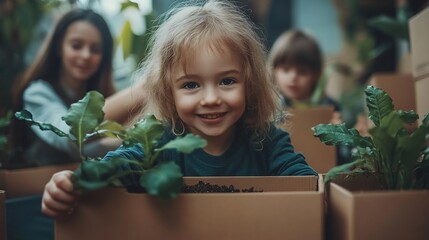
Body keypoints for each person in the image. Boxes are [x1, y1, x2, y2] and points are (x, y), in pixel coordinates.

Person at [41, 0, 317, 218]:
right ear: (167, 93)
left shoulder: (267, 142)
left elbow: (306, 186)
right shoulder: (160, 144)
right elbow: (119, 165)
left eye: (227, 81)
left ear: (251, 84)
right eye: (191, 85)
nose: (210, 98)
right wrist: (73, 181)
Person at [9, 9, 145, 167]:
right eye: (76, 46)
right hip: (37, 188)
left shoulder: (101, 96)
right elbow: (70, 136)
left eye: (95, 49)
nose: (86, 55)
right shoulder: (37, 93)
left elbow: (93, 151)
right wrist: (142, 89)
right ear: (59, 47)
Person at [268, 30, 351, 164]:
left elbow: (344, 159)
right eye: (286, 70)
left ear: (316, 74)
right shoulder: (271, 109)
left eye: (302, 72)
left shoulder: (330, 107)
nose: (293, 77)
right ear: (274, 71)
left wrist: (340, 136)